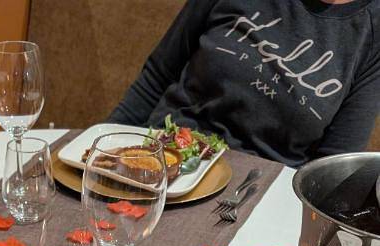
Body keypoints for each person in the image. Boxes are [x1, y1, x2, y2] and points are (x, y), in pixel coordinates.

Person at [109, 0, 380, 167]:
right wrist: (105, 147)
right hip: (164, 157)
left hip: (253, 196)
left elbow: (329, 169)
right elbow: (157, 76)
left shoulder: (373, 30)